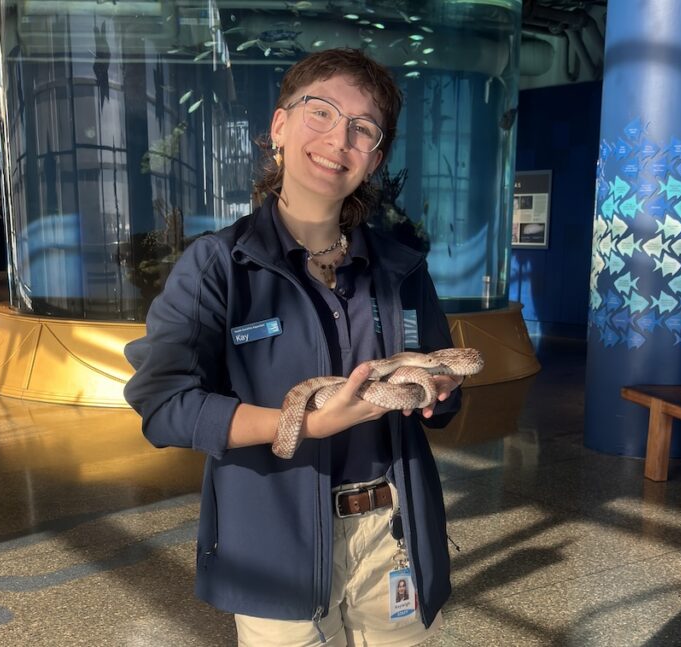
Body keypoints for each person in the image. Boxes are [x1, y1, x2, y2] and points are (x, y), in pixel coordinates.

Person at [123, 48, 462, 647]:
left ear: (376, 158)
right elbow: (164, 403)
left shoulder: (401, 268)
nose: (339, 139)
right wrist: (304, 423)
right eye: (321, 112)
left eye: (363, 128)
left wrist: (440, 392)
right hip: (275, 546)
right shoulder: (219, 266)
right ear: (279, 126)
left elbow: (440, 386)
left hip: (393, 538)